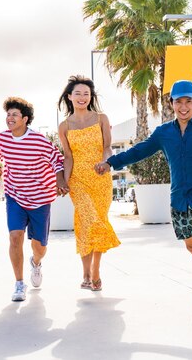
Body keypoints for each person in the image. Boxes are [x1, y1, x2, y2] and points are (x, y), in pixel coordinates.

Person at [95, 80, 192, 313]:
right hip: (179, 197)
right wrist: (111, 162)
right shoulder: (164, 133)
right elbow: (138, 151)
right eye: (179, 101)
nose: (184, 107)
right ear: (171, 103)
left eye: (189, 102)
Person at [0, 97, 68, 302]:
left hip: (40, 198)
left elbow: (57, 161)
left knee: (39, 246)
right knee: (14, 237)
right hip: (14, 195)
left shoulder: (39, 141)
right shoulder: (2, 139)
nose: (10, 118)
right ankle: (18, 283)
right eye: (8, 114)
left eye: (14, 114)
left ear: (25, 119)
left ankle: (36, 262)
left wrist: (60, 181)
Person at [57, 75, 121, 291]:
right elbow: (67, 156)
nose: (82, 97)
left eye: (86, 93)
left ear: (91, 96)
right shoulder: (64, 125)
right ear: (70, 97)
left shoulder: (101, 118)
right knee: (89, 221)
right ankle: (91, 273)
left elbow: (108, 147)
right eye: (78, 93)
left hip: (101, 178)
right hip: (78, 180)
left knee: (95, 222)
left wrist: (105, 162)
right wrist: (65, 181)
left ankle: (91, 272)